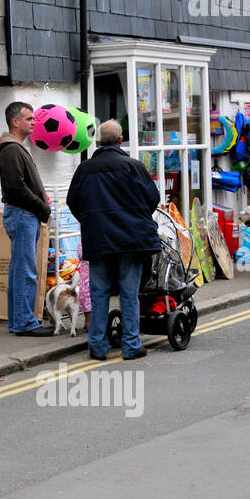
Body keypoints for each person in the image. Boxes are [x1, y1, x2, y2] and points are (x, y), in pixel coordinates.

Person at [66, 119, 161, 361]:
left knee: (99, 294)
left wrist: (92, 222)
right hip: (130, 241)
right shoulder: (133, 166)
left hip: (98, 241)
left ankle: (97, 347)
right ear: (120, 141)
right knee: (129, 294)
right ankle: (131, 345)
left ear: (98, 142)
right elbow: (153, 198)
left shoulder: (84, 170)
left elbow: (72, 202)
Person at [0, 102, 53, 336]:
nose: (33, 122)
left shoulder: (15, 148)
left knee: (21, 268)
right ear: (15, 122)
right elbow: (16, 188)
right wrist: (41, 207)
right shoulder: (11, 150)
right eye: (29, 119)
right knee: (25, 270)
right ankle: (25, 323)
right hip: (22, 214)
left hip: (25, 214)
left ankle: (20, 321)